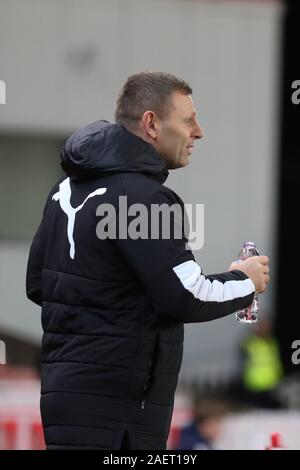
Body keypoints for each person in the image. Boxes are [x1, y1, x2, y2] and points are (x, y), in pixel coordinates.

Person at [26, 72, 270, 450]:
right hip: (120, 413)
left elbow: (38, 284)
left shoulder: (65, 187)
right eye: (188, 120)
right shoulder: (143, 197)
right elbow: (186, 295)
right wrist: (246, 280)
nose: (199, 131)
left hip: (64, 401)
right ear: (152, 123)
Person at [238, 318, 283, 409]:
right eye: (262, 326)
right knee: (256, 410)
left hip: (270, 383)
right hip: (255, 383)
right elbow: (243, 347)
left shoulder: (272, 342)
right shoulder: (251, 342)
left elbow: (275, 361)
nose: (266, 329)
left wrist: (279, 375)